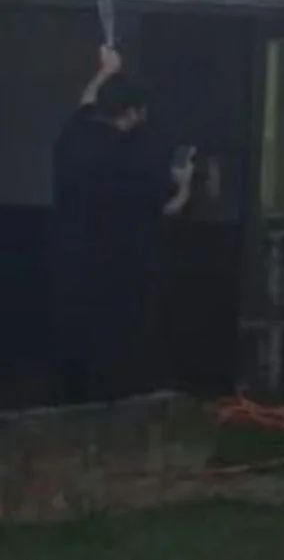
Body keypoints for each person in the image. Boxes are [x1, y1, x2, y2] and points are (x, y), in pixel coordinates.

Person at [48, 45, 193, 404]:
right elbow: (170, 208)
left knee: (74, 349)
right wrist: (185, 182)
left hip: (70, 262)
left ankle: (69, 409)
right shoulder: (136, 159)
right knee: (117, 353)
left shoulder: (73, 138)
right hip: (121, 271)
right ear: (130, 113)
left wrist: (106, 71)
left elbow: (85, 103)